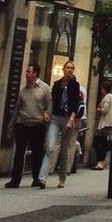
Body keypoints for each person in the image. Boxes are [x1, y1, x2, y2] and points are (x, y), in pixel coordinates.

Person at [39, 61, 85, 189]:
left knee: (64, 150)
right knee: (50, 146)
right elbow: (52, 101)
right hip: (55, 118)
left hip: (67, 119)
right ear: (63, 69)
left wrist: (71, 120)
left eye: (72, 68)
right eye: (67, 68)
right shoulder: (57, 84)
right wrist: (47, 112)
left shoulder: (75, 86)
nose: (69, 70)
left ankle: (62, 179)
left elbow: (75, 104)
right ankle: (42, 178)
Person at [5, 63, 51, 189]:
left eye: (28, 71)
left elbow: (50, 104)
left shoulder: (44, 88)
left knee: (37, 152)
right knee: (19, 153)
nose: (26, 74)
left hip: (38, 125)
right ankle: (15, 179)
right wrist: (11, 124)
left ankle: (36, 178)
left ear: (35, 73)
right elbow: (17, 108)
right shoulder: (23, 90)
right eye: (26, 72)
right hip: (23, 124)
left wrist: (47, 114)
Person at [93, 80, 112, 169]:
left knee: (98, 142)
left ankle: (100, 161)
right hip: (107, 123)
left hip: (104, 124)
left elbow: (104, 110)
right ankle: (101, 161)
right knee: (102, 142)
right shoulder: (111, 97)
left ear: (103, 89)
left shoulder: (107, 97)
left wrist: (98, 109)